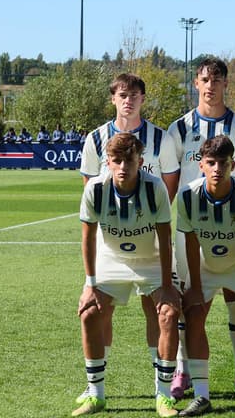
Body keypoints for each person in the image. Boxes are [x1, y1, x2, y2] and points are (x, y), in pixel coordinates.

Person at [77, 73, 180, 405]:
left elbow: (168, 185)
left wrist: (142, 212)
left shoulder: (159, 141)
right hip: (111, 249)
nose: (128, 100)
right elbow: (90, 199)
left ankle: (163, 393)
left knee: (163, 311)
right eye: (123, 94)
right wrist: (90, 282)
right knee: (93, 310)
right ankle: (96, 392)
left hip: (150, 246)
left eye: (135, 94)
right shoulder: (94, 140)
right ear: (113, 98)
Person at [166, 57, 235, 400]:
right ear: (196, 84)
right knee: (190, 304)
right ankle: (182, 370)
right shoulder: (179, 129)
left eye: (217, 80)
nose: (211, 86)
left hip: (233, 231)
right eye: (205, 79)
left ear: (226, 85)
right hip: (190, 233)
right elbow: (170, 186)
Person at [175, 135, 235, 417]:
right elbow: (191, 242)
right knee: (193, 314)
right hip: (205, 264)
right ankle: (202, 395)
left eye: (223, 163)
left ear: (233, 165)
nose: (217, 169)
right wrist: (195, 286)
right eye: (211, 163)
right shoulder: (188, 195)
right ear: (201, 164)